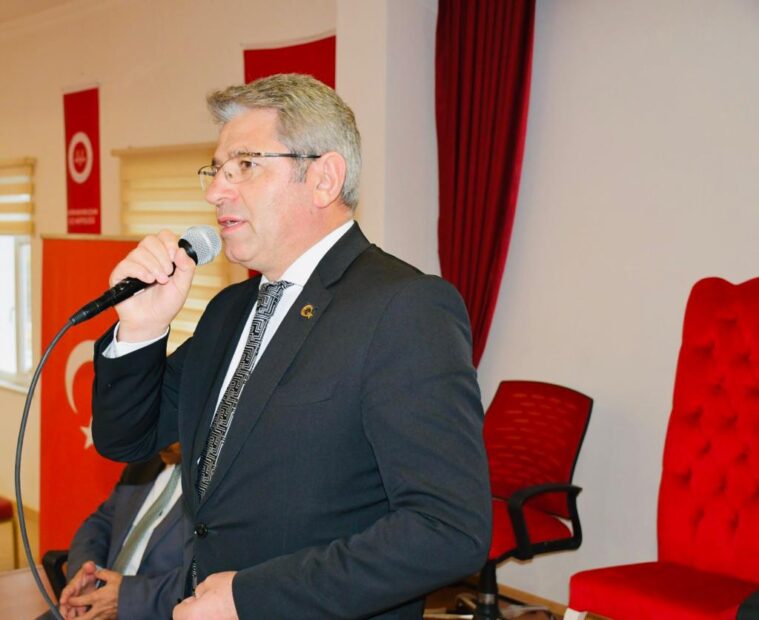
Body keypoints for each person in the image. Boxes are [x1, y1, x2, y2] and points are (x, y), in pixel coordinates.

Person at [90, 73, 491, 620]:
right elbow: (127, 439)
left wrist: (250, 597)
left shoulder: (405, 308)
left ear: (324, 178)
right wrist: (141, 329)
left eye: (244, 165)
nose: (215, 191)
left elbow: (447, 529)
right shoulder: (229, 310)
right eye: (216, 170)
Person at [54, 442, 186, 620]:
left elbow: (206, 577)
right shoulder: (146, 458)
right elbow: (102, 523)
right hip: (93, 602)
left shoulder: (219, 486)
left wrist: (124, 598)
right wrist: (87, 573)